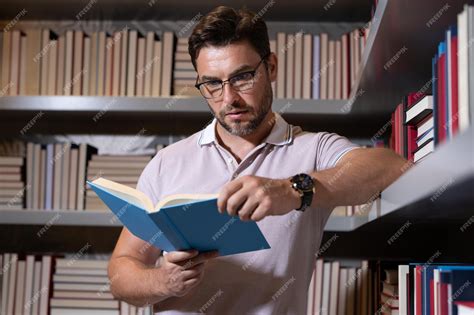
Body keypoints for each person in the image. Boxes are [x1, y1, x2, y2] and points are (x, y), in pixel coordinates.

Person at [108, 6, 409, 314]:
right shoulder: (166, 163)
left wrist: (291, 190)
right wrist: (163, 281)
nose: (229, 99)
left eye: (242, 77)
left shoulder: (314, 149)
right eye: (212, 83)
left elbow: (390, 167)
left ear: (272, 67)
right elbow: (121, 273)